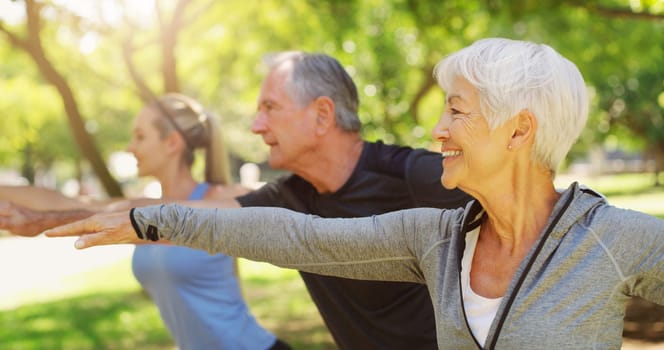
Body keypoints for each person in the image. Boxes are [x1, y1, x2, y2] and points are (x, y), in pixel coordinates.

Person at [45, 38, 664, 349]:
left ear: (519, 130)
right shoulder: (436, 238)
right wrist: (156, 221)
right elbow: (300, 237)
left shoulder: (612, 241)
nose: (437, 130)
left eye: (456, 111)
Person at [1, 52, 473, 349]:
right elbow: (186, 218)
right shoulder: (287, 197)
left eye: (269, 108)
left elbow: (532, 216)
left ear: (322, 115)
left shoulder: (413, 175)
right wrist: (41, 219)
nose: (254, 126)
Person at [2, 94, 289, 350]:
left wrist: (41, 221)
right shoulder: (142, 206)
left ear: (172, 142)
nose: (130, 147)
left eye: (140, 136)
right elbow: (73, 204)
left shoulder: (224, 198)